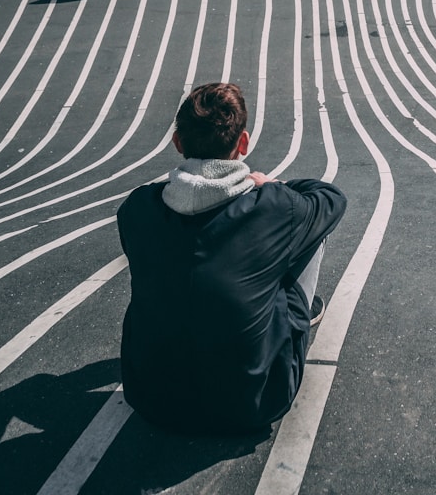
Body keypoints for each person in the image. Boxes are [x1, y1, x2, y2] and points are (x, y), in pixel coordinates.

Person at [117, 82, 346, 437]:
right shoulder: (273, 207)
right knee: (311, 226)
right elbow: (331, 199)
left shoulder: (137, 208)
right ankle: (301, 308)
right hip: (253, 402)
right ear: (243, 143)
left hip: (152, 398)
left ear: (178, 143)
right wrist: (272, 184)